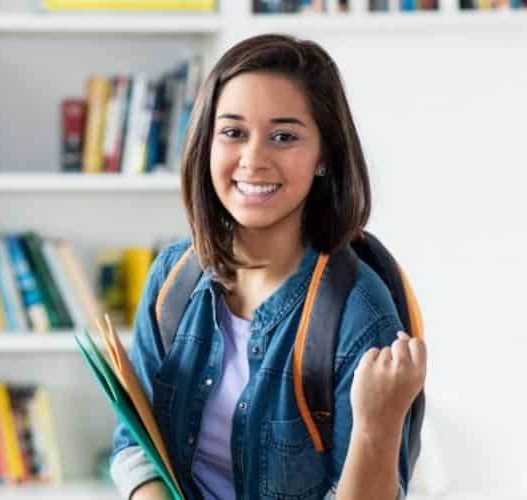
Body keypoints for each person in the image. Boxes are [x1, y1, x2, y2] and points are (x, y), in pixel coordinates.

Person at [109, 33, 427, 500]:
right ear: (206, 142)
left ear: (324, 155)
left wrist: (376, 427)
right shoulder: (172, 279)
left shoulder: (360, 314)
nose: (253, 160)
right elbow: (135, 444)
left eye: (284, 136)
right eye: (233, 132)